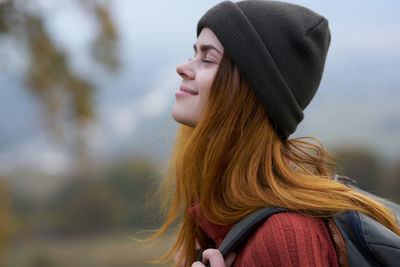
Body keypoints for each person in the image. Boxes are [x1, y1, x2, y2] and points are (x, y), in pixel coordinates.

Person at [147, 1, 400, 266]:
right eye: (194, 54)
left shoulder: (284, 238)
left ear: (252, 91)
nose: (183, 67)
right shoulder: (220, 214)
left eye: (208, 59)